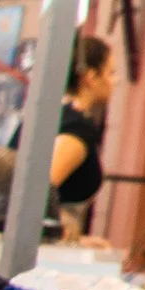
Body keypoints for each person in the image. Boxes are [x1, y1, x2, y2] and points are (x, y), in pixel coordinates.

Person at [52, 34, 114, 216]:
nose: (114, 82)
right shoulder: (75, 130)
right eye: (111, 73)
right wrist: (66, 235)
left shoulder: (54, 114)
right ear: (91, 77)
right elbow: (38, 192)